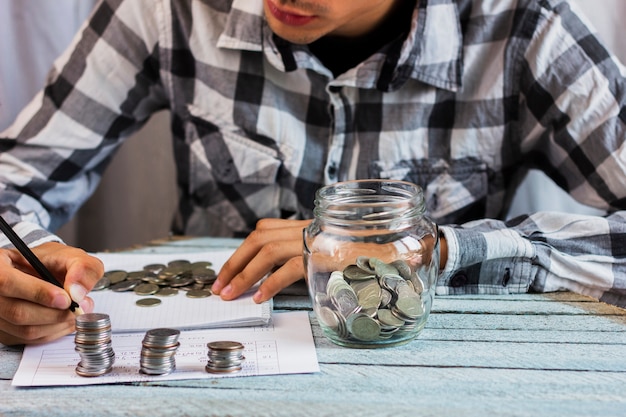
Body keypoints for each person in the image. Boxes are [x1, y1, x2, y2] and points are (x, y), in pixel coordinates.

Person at [1, 0, 625, 346]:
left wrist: (436, 250)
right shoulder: (166, 9)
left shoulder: (526, 28)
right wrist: (17, 265)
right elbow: (13, 179)